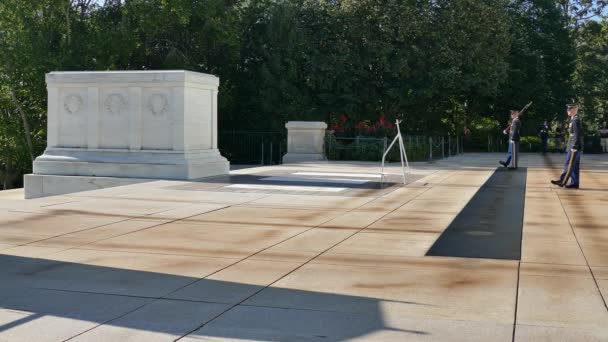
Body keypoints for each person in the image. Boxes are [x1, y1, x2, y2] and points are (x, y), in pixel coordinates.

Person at [551, 104, 583, 189]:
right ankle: (574, 183)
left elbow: (577, 134)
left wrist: (574, 146)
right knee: (575, 166)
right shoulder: (573, 120)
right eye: (568, 109)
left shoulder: (576, 120)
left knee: (569, 164)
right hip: (573, 145)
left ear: (575, 110)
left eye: (570, 109)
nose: (568, 111)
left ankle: (562, 181)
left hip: (574, 146)